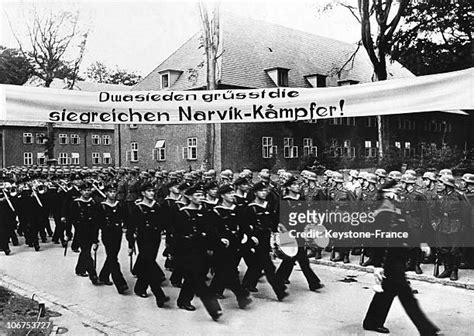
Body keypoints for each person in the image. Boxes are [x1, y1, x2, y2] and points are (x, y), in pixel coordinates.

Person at [363, 180, 440, 335]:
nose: (398, 191)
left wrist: (422, 243)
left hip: (397, 257)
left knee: (387, 291)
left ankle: (372, 322)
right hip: (390, 261)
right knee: (407, 296)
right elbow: (378, 240)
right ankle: (427, 330)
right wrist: (378, 265)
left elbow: (406, 229)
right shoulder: (383, 211)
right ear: (387, 192)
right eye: (395, 189)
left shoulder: (394, 207)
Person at [173, 184, 222, 320]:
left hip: (203, 249)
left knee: (196, 276)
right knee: (195, 277)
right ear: (189, 197)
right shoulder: (183, 213)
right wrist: (175, 253)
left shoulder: (206, 212)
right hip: (188, 250)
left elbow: (212, 232)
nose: (201, 198)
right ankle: (213, 309)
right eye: (197, 195)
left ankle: (183, 300)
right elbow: (176, 234)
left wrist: (215, 245)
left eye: (202, 195)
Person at [209, 184, 253, 308]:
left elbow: (244, 225)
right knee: (230, 271)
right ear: (222, 195)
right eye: (229, 193)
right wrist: (219, 239)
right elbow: (212, 229)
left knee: (224, 271)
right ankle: (241, 296)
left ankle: (212, 293)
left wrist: (250, 236)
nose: (232, 195)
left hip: (236, 244)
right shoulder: (216, 211)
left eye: (233, 193)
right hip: (222, 246)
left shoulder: (237, 210)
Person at [242, 181, 288, 301]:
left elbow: (273, 222)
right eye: (261, 191)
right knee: (268, 266)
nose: (264, 193)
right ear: (255, 193)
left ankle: (247, 284)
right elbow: (244, 225)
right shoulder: (250, 208)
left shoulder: (268, 206)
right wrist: (251, 236)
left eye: (265, 191)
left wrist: (277, 231)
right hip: (256, 239)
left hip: (266, 238)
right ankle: (280, 291)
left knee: (257, 264)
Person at [276, 176, 324, 291]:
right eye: (295, 185)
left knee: (291, 258)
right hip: (290, 233)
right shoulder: (285, 201)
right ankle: (314, 283)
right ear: (288, 187)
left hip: (300, 232)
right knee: (302, 259)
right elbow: (280, 219)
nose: (298, 187)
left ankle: (279, 278)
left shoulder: (300, 198)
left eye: (298, 184)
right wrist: (284, 233)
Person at [127, 182, 169, 308]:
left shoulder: (157, 206)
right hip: (143, 238)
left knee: (147, 263)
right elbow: (130, 227)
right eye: (149, 191)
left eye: (153, 191)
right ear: (143, 193)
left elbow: (163, 221)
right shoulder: (137, 208)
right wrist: (130, 244)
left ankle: (140, 288)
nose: (152, 193)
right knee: (149, 264)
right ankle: (159, 294)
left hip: (155, 238)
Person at [97, 183, 129, 294]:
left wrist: (126, 227)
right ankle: (120, 283)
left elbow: (126, 218)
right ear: (106, 193)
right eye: (110, 191)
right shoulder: (101, 206)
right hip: (107, 234)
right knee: (113, 257)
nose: (112, 194)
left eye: (114, 191)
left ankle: (103, 276)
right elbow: (97, 224)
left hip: (118, 233)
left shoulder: (120, 205)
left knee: (112, 256)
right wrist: (95, 240)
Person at [68, 182, 100, 285]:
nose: (87, 192)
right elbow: (72, 218)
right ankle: (92, 273)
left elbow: (96, 218)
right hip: (81, 231)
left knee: (86, 250)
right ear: (80, 191)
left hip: (91, 230)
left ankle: (79, 269)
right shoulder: (76, 203)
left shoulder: (93, 203)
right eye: (85, 190)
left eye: (89, 190)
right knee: (86, 251)